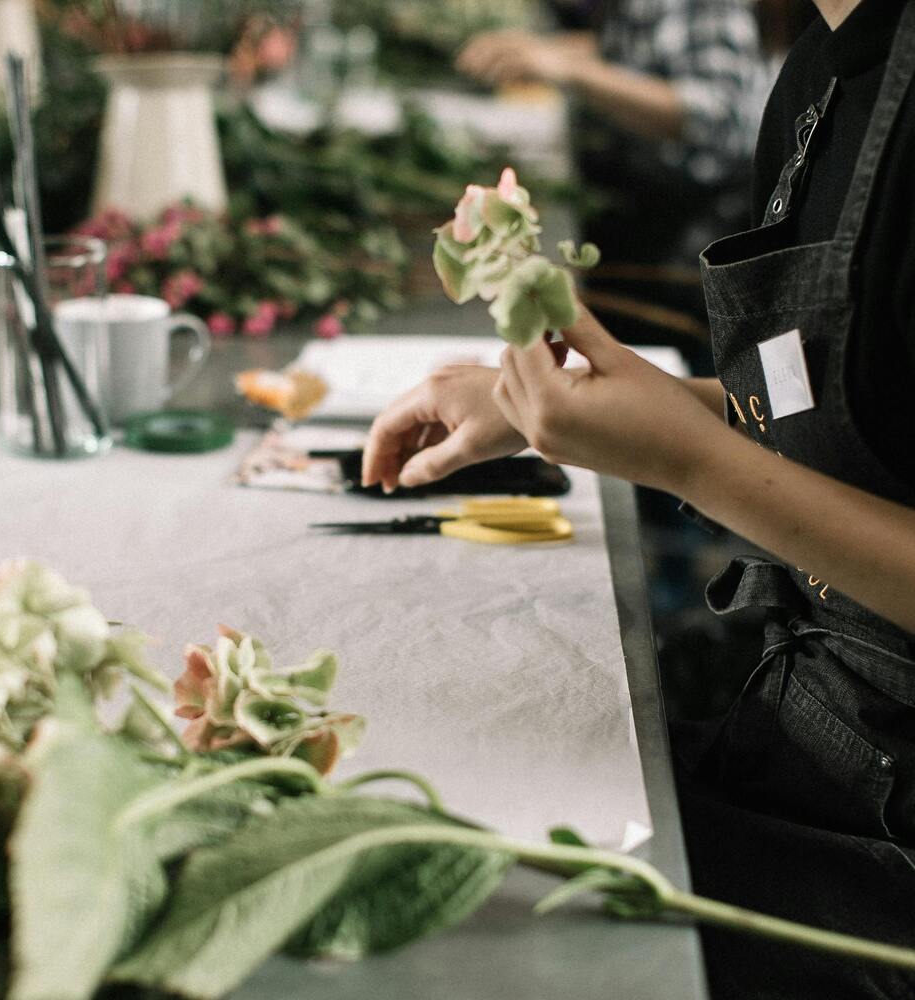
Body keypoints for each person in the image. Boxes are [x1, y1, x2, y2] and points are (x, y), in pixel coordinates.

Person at [362, 1, 915, 996]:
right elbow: (847, 410)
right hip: (798, 729)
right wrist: (540, 403)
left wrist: (691, 463)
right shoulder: (817, 78)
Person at [457, 0, 772, 271]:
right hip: (648, 200)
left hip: (700, 221)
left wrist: (567, 70)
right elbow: (633, 50)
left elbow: (712, 115)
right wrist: (539, 49)